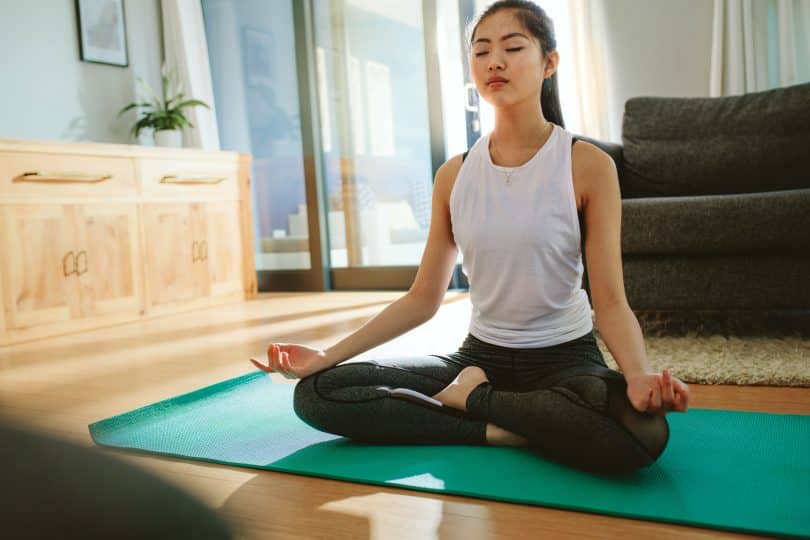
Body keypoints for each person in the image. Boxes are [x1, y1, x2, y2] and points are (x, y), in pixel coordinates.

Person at [251, 0, 690, 475]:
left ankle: (471, 402)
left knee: (644, 433)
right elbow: (422, 299)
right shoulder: (454, 175)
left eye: (512, 47)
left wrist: (639, 375)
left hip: (564, 359)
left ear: (549, 63)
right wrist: (326, 355)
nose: (494, 62)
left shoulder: (587, 166)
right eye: (481, 52)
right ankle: (497, 422)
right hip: (478, 356)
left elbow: (610, 302)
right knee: (318, 393)